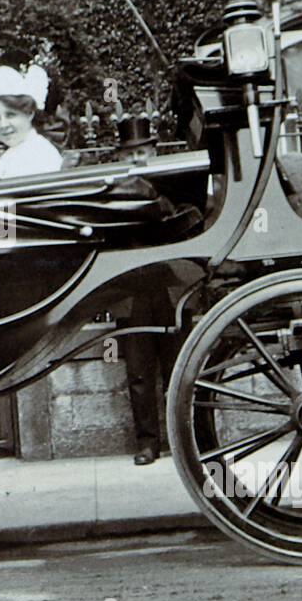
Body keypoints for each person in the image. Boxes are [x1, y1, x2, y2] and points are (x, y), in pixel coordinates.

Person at [111, 117, 181, 466]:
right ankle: (148, 444)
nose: (136, 159)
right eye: (129, 153)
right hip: (132, 293)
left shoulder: (170, 186)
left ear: (153, 151)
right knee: (138, 373)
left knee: (178, 368)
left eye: (141, 151)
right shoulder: (113, 194)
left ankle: (183, 440)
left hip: (168, 289)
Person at [0, 64, 62, 180]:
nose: (4, 124)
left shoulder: (38, 153)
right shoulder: (12, 154)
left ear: (29, 113)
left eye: (11, 115)